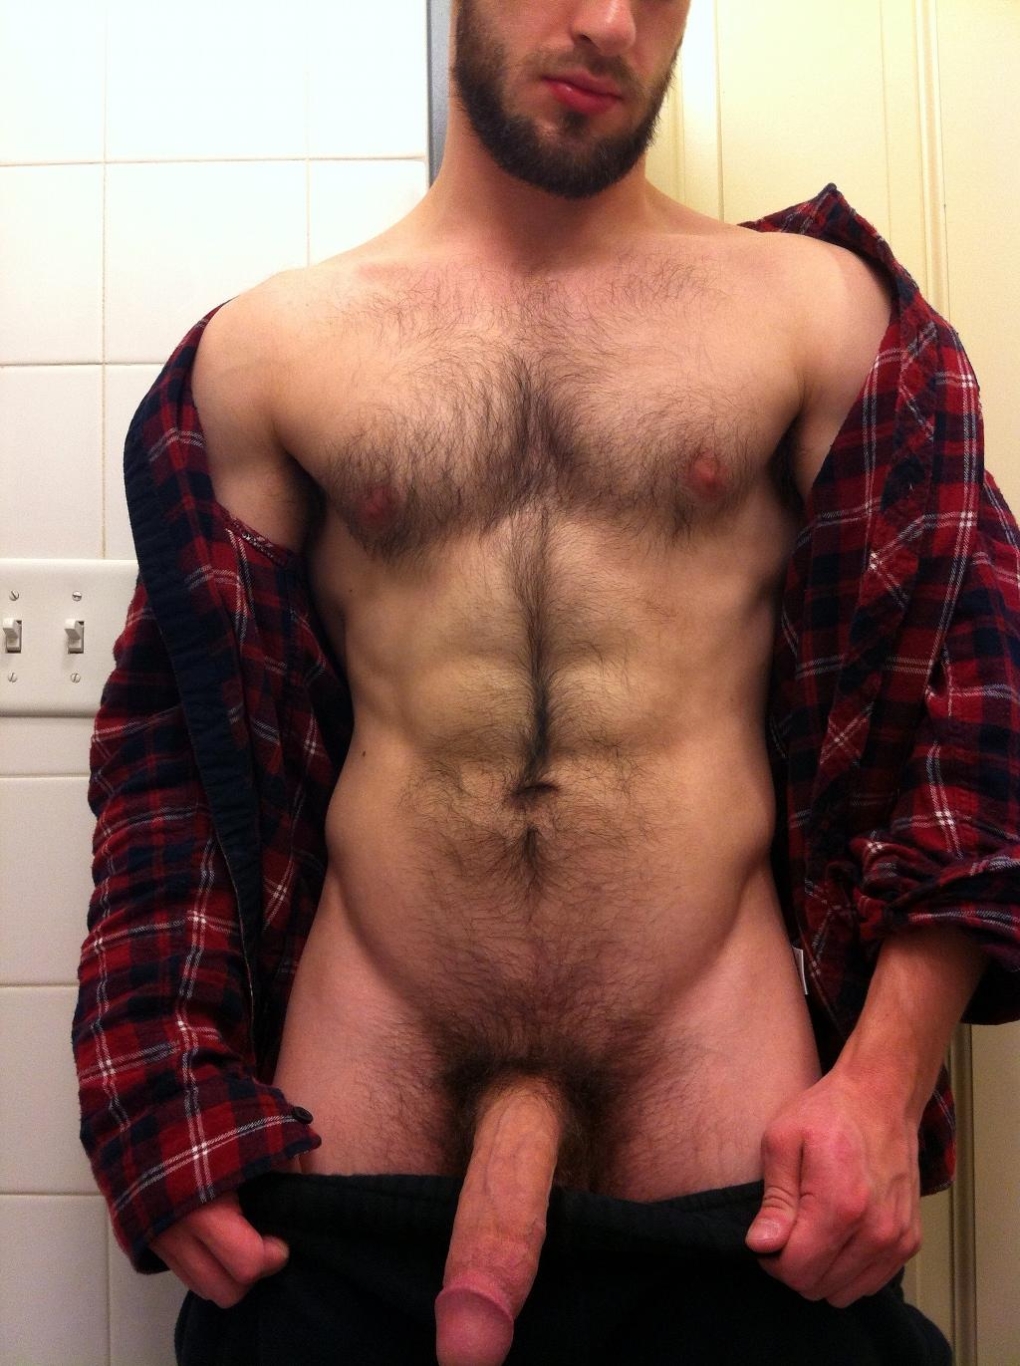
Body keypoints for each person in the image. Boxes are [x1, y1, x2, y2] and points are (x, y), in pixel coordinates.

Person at [73, 1, 1020, 1362]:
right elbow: (168, 766)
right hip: (352, 1136)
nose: (608, 22)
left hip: (733, 1151)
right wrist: (156, 1092)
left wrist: (882, 1085)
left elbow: (970, 715)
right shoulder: (270, 351)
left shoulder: (819, 314)